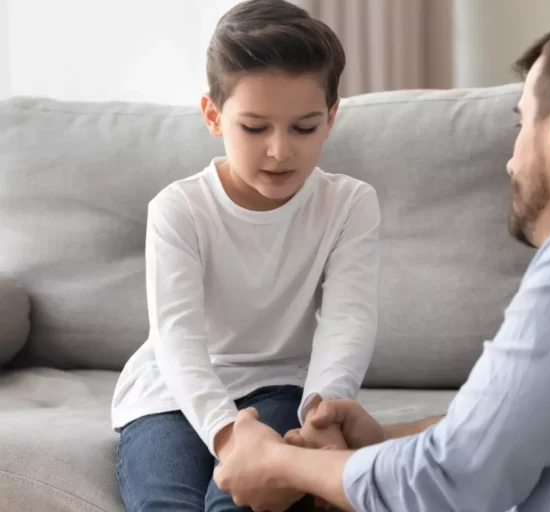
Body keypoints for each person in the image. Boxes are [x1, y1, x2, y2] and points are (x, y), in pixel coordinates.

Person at [212, 13, 550, 512]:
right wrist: (380, 438)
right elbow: (525, 425)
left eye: (521, 121)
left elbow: (448, 488)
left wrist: (278, 462)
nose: (509, 161)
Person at [110, 1, 379, 510]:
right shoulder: (178, 209)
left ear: (332, 117)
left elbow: (349, 320)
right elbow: (178, 338)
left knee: (237, 505)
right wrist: (229, 435)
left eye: (304, 127)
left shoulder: (350, 204)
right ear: (213, 116)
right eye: (255, 128)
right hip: (170, 396)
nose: (280, 151)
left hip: (281, 388)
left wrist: (321, 416)